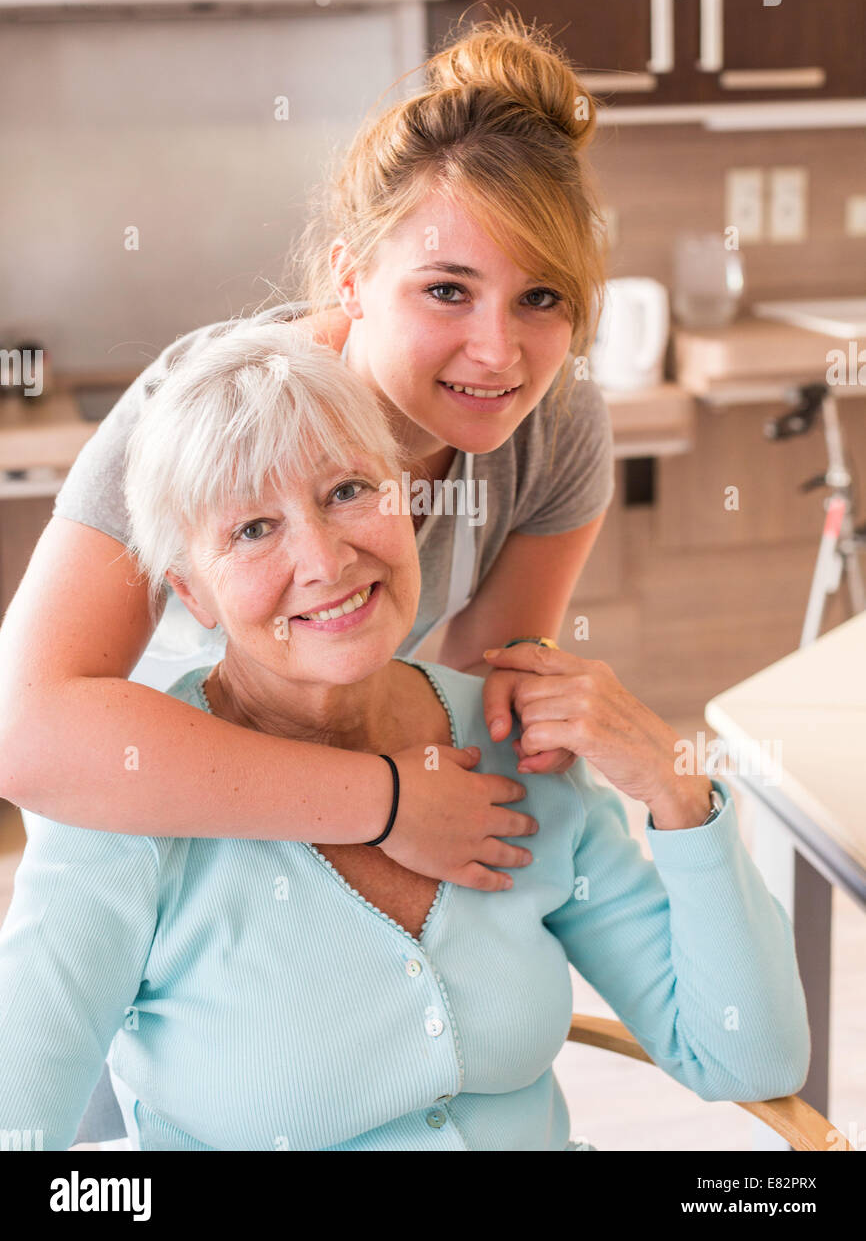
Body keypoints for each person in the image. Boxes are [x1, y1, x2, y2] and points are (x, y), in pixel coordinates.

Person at [0, 322, 810, 1151]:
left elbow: (745, 1058)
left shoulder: (515, 745)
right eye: (252, 530)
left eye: (348, 490)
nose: (325, 559)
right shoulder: (125, 811)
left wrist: (676, 791)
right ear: (191, 593)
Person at [0, 12, 614, 890]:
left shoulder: (557, 429)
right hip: (151, 825)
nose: (499, 352)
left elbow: (473, 705)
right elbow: (25, 734)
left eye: (542, 297)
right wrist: (384, 801)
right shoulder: (209, 403)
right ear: (352, 278)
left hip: (356, 817)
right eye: (448, 290)